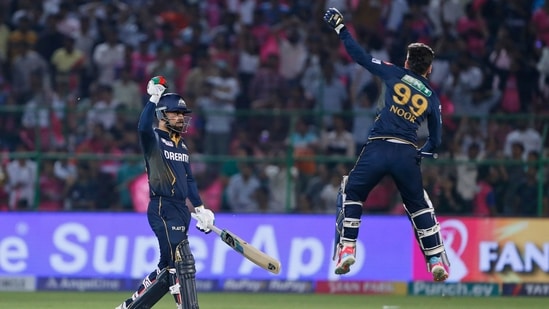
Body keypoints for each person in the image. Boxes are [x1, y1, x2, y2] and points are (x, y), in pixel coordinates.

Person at [323, 8, 450, 282]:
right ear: (429, 69)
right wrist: (421, 153)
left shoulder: (393, 73)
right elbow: (437, 140)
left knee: (352, 192)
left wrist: (341, 29)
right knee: (419, 204)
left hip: (378, 146)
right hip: (406, 151)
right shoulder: (432, 97)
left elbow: (359, 56)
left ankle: (347, 250)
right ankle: (436, 259)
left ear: (406, 62)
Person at [115, 76, 215, 309]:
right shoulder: (154, 140)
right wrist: (153, 98)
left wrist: (200, 208)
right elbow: (142, 127)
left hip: (181, 209)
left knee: (168, 266)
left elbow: (188, 179)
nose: (181, 118)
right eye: (175, 113)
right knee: (181, 264)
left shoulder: (181, 145)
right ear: (162, 114)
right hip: (162, 207)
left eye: (182, 114)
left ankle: (129, 307)